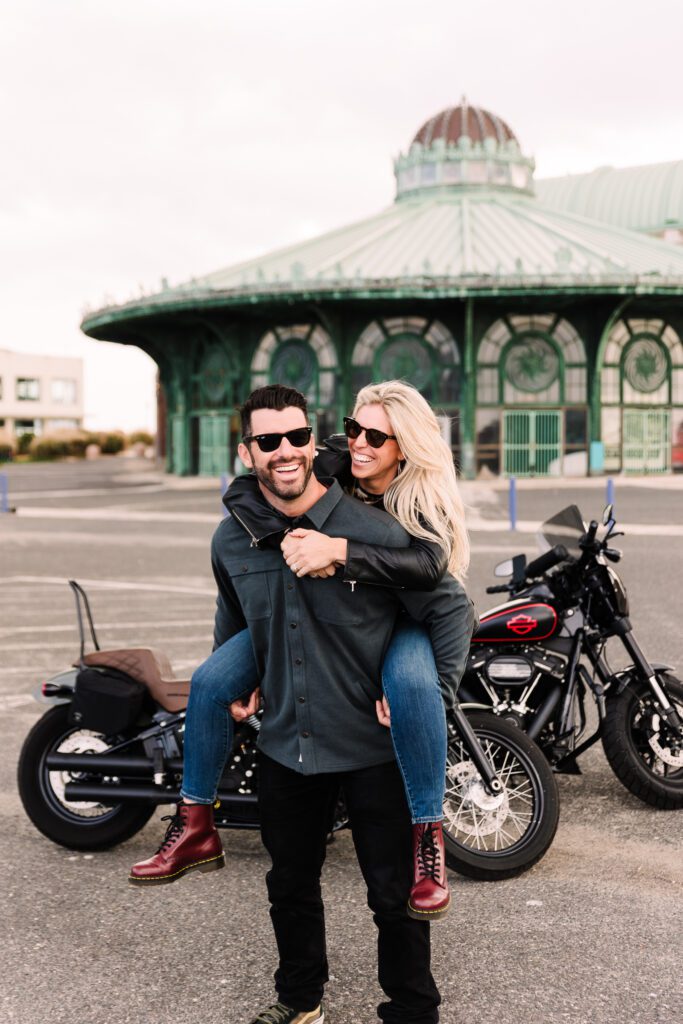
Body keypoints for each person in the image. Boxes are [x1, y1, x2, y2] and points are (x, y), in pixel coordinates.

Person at [133, 385, 474, 1024]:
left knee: (394, 893)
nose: (284, 451)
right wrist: (236, 681)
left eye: (295, 438)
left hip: (370, 740)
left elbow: (447, 604)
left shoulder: (382, 531)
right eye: (268, 442)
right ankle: (299, 1001)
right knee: (288, 886)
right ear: (247, 451)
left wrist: (430, 695)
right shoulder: (232, 537)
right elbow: (232, 614)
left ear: (315, 445)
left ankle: (411, 1009)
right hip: (287, 738)